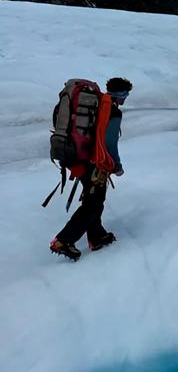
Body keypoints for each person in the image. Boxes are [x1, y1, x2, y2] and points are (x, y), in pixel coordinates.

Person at [49, 77, 132, 261]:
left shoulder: (96, 104)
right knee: (92, 203)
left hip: (77, 156)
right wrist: (117, 166)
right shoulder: (112, 111)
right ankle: (63, 240)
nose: (126, 98)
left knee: (94, 198)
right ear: (122, 94)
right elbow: (110, 143)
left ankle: (96, 236)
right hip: (93, 162)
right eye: (126, 94)